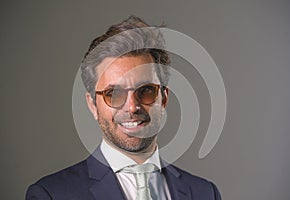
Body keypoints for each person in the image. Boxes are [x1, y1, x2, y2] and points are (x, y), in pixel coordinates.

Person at [26, 15, 221, 200]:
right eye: (114, 94)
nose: (132, 106)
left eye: (146, 90)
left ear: (163, 99)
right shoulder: (51, 195)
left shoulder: (205, 193)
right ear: (93, 105)